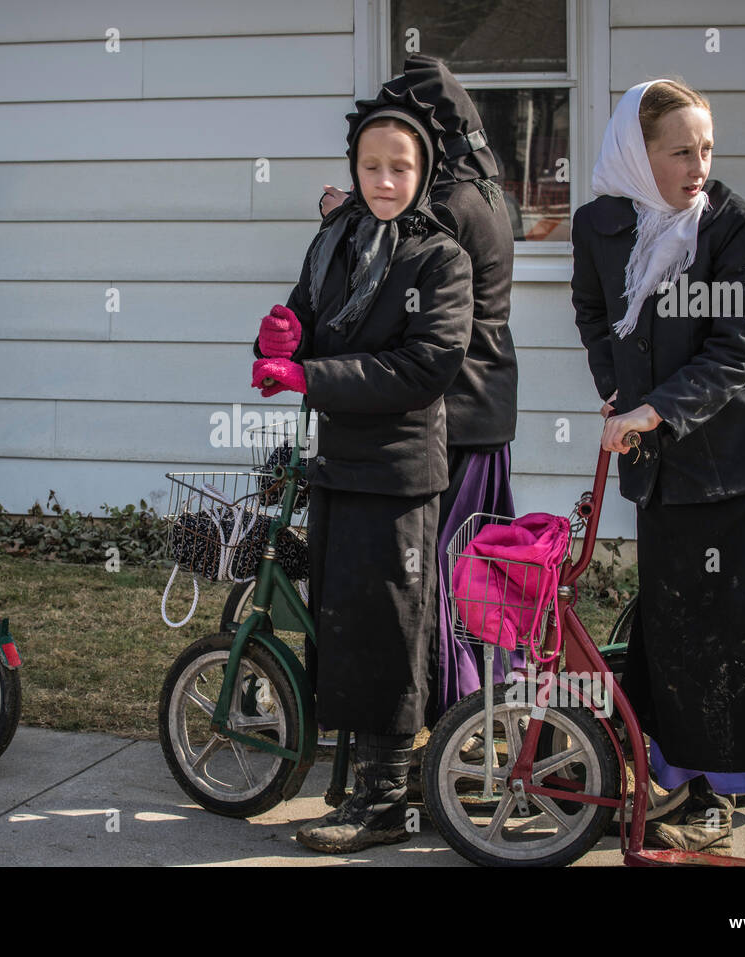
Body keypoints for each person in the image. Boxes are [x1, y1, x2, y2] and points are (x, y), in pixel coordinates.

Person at [571, 79, 745, 864]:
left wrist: (653, 409)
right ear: (637, 151)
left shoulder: (730, 224)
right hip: (666, 474)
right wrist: (615, 388)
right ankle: (703, 800)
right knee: (681, 634)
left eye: (706, 148)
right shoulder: (600, 225)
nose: (699, 165)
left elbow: (734, 348)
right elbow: (592, 313)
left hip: (744, 464)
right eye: (680, 150)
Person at [252, 87, 472, 853]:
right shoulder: (335, 242)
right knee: (343, 625)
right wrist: (281, 335)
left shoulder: (440, 257)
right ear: (353, 165)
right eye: (371, 166)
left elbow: (425, 366)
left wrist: (312, 376)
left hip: (399, 472)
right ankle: (356, 779)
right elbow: (303, 321)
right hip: (338, 465)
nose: (383, 181)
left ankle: (384, 799)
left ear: (423, 171)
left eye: (399, 167)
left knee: (390, 634)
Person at [320, 57, 518, 720]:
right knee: (473, 579)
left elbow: (399, 243)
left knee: (435, 581)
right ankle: (476, 712)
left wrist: (341, 214)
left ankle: (448, 716)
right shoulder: (488, 187)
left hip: (451, 413)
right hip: (489, 407)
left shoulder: (450, 204)